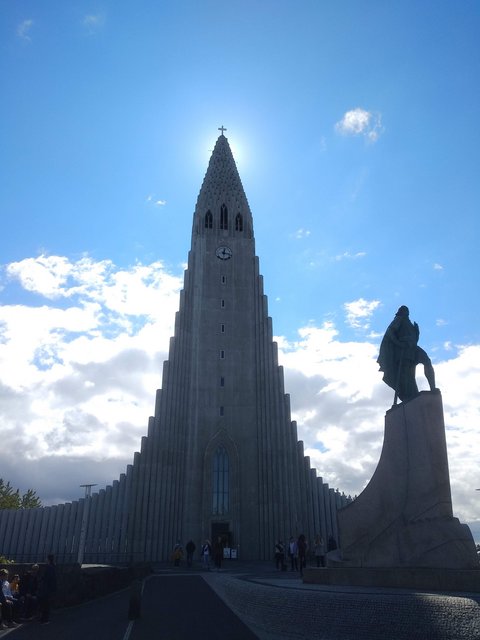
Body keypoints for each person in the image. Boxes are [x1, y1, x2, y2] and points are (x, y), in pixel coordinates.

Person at [377, 305, 436, 403]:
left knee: (427, 361)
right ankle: (409, 395)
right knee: (408, 374)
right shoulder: (400, 319)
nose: (406, 311)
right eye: (404, 310)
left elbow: (414, 338)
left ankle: (433, 388)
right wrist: (398, 343)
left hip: (413, 348)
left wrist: (417, 332)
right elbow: (390, 331)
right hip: (404, 350)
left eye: (407, 310)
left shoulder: (410, 323)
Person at [38, 554, 57, 625]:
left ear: (48, 559)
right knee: (46, 604)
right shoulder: (53, 567)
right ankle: (44, 619)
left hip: (46, 588)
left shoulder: (48, 567)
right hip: (50, 589)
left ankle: (44, 619)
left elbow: (45, 578)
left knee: (45, 604)